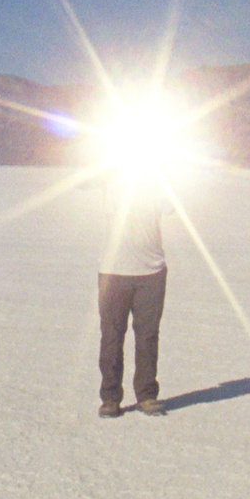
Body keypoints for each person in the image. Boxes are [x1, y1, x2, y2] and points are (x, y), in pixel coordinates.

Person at [96, 176, 173, 417]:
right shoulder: (108, 178)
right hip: (113, 272)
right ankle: (110, 398)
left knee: (148, 336)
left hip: (151, 272)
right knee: (111, 336)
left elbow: (170, 206)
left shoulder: (157, 182)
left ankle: (147, 395)